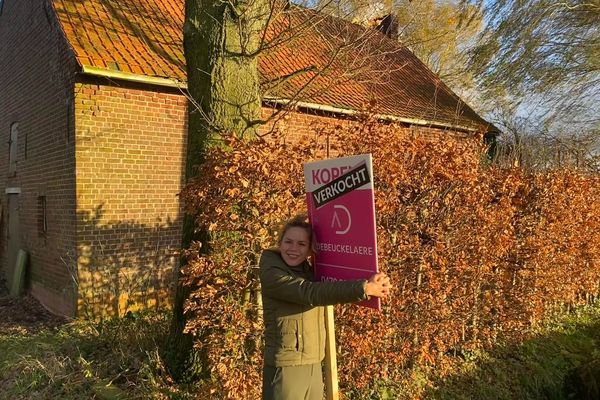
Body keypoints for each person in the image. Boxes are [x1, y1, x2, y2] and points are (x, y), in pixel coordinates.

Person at [260, 215, 392, 400]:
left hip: (314, 362)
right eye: (288, 241)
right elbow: (310, 293)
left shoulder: (310, 269)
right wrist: (363, 288)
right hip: (286, 365)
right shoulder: (271, 270)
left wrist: (376, 281)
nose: (293, 249)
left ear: (309, 250)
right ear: (280, 242)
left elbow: (333, 284)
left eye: (301, 244)